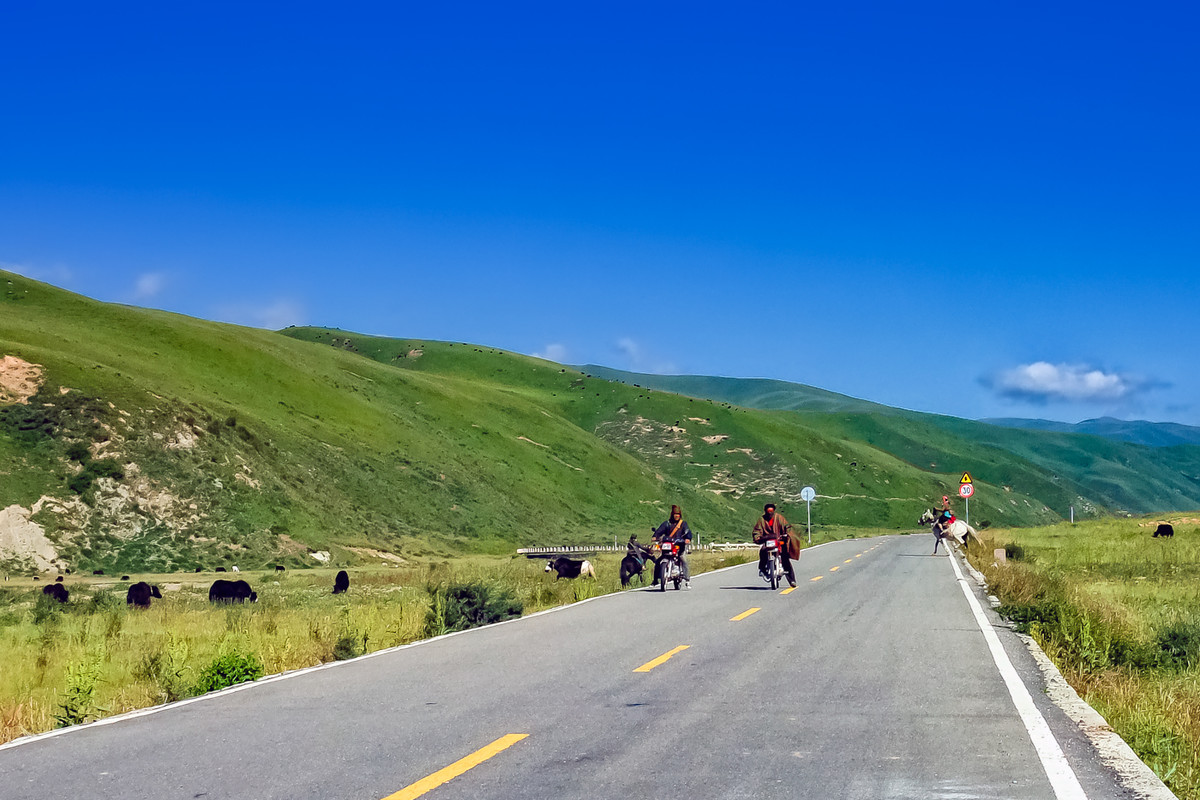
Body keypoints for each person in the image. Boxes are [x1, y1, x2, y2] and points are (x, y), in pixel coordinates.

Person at [752, 503, 796, 587]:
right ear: (765, 511)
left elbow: (787, 527)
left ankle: (792, 580)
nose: (770, 513)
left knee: (785, 557)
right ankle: (762, 569)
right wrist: (758, 537)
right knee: (763, 551)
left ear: (774, 511)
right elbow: (757, 530)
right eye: (768, 511)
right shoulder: (761, 520)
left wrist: (787, 534)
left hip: (779, 540)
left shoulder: (779, 518)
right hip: (767, 541)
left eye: (771, 511)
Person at [651, 505, 693, 588]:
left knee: (683, 559)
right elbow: (659, 531)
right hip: (668, 546)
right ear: (672, 514)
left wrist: (687, 539)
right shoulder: (667, 523)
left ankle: (687, 579)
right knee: (658, 561)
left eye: (678, 514)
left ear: (680, 515)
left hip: (679, 546)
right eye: (675, 514)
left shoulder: (683, 524)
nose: (676, 516)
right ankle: (655, 580)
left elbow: (688, 533)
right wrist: (655, 536)